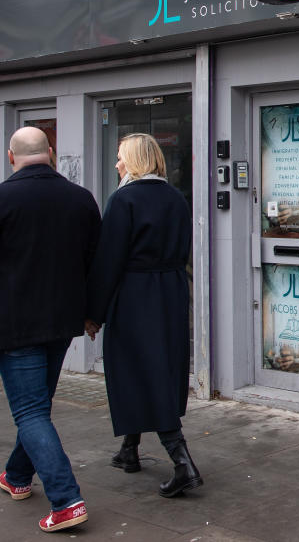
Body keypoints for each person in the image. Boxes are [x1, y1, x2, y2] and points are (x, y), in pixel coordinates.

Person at [0, 126, 100, 533]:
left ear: (12, 158)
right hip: (60, 322)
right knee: (37, 406)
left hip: (13, 324)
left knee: (29, 410)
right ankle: (17, 476)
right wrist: (92, 313)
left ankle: (66, 500)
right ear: (51, 152)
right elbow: (93, 263)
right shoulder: (81, 200)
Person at [84, 133, 201, 497]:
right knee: (155, 367)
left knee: (135, 369)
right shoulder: (176, 198)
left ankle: (182, 461)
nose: (117, 163)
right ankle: (129, 450)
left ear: (135, 160)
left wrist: (94, 313)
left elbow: (108, 260)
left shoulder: (124, 199)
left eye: (121, 157)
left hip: (135, 294)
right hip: (171, 291)